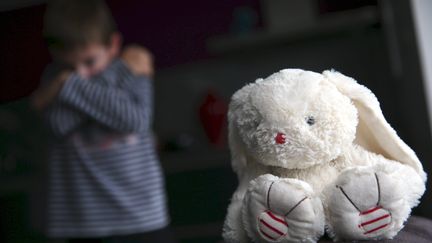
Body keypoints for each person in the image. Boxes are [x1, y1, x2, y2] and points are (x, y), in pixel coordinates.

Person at [31, 1, 175, 242]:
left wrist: (67, 86)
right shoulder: (53, 77)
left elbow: (135, 121)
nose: (79, 73)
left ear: (113, 45)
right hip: (81, 223)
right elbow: (58, 125)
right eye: (68, 66)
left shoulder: (132, 72)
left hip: (141, 216)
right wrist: (108, 77)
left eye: (89, 62)